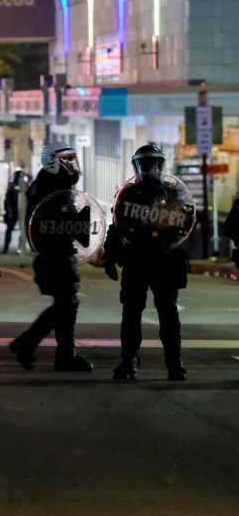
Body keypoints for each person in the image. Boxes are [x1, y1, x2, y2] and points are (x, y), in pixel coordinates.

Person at [103, 144, 190, 381]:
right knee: (131, 312)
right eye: (144, 163)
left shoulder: (172, 193)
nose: (149, 167)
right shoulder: (128, 194)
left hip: (165, 260)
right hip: (137, 259)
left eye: (153, 163)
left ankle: (174, 364)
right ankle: (128, 362)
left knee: (168, 314)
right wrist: (109, 257)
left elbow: (184, 226)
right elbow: (117, 226)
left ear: (161, 165)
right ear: (137, 165)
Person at [9, 143, 92, 372]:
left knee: (66, 305)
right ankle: (30, 344)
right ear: (53, 161)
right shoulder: (50, 187)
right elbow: (49, 221)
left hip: (57, 252)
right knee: (67, 304)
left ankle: (61, 355)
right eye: (66, 160)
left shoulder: (50, 184)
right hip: (54, 253)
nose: (70, 165)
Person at [2, 165, 25, 254]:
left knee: (21, 231)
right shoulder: (13, 188)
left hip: (19, 212)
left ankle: (20, 249)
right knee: (9, 229)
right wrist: (10, 211)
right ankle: (6, 248)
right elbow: (7, 201)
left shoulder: (22, 188)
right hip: (13, 212)